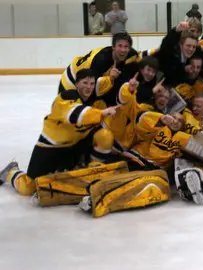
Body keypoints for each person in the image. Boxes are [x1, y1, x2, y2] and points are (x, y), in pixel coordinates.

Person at [0, 69, 118, 197]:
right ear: (77, 84)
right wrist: (100, 113)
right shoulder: (66, 97)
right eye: (85, 83)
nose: (88, 87)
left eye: (91, 84)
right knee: (29, 188)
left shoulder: (97, 102)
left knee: (105, 135)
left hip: (74, 146)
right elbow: (74, 115)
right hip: (51, 148)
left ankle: (93, 169)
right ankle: (12, 172)